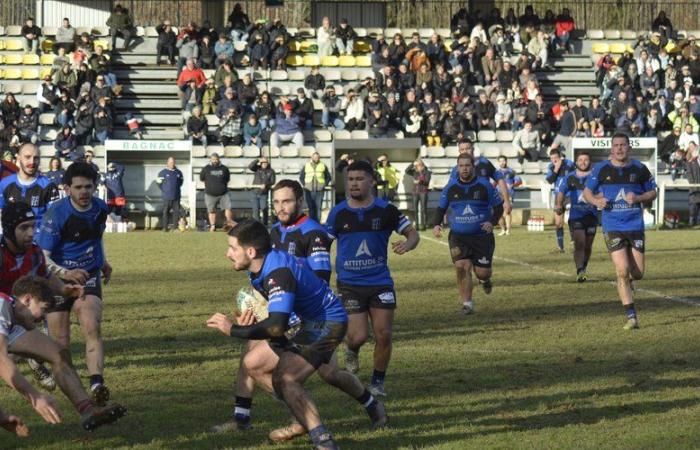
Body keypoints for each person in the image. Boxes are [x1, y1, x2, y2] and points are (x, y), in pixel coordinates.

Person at [207, 220, 387, 450]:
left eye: (232, 248)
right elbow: (277, 316)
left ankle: (324, 441)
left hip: (327, 322)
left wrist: (232, 329)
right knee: (253, 363)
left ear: (250, 252)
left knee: (288, 378)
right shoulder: (259, 268)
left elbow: (276, 327)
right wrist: (253, 320)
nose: (227, 253)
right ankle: (304, 415)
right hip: (306, 321)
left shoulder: (277, 272)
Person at [325, 160, 419, 396]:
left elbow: (413, 233)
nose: (354, 184)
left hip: (380, 282)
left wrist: (407, 244)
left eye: (359, 179)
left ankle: (377, 383)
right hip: (349, 284)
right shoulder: (338, 213)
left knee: (384, 333)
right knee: (357, 336)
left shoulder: (386, 210)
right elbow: (322, 244)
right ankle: (352, 349)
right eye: (350, 179)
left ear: (372, 181)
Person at [0, 276, 126, 431]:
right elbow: (2, 361)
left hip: (14, 325)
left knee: (58, 354)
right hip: (9, 324)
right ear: (27, 300)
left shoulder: (11, 309)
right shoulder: (1, 309)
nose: (42, 318)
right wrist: (36, 397)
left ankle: (88, 409)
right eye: (44, 310)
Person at [38, 162, 116, 406]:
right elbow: (42, 257)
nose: (84, 192)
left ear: (95, 187)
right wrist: (65, 273)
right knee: (60, 344)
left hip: (89, 274)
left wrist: (102, 261)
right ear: (67, 188)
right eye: (78, 187)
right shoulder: (57, 214)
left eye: (89, 187)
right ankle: (78, 393)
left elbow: (96, 237)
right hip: (57, 279)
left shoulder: (100, 208)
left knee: (91, 322)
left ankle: (97, 383)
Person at [583, 134, 658, 330]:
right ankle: (631, 317)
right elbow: (587, 192)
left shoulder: (639, 168)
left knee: (638, 273)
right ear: (611, 149)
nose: (619, 149)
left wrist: (640, 198)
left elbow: (654, 191)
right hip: (612, 226)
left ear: (629, 147)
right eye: (615, 145)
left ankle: (630, 282)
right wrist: (596, 201)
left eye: (622, 145)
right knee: (622, 271)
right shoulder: (600, 169)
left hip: (635, 226)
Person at [432, 153, 503, 315]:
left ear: (473, 167)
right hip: (458, 236)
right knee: (461, 267)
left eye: (467, 165)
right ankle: (467, 304)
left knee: (482, 272)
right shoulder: (451, 187)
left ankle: (484, 279)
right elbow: (441, 208)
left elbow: (499, 206)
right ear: (457, 168)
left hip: (481, 237)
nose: (464, 169)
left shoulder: (484, 185)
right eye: (461, 166)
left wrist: (491, 223)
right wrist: (436, 224)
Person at [0, 144, 60, 240]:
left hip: (37, 241)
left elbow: (54, 220)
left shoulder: (49, 186)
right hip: (11, 241)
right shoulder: (4, 183)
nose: (32, 162)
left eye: (36, 158)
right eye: (27, 157)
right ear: (19, 158)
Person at [555, 152, 599, 282]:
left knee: (588, 246)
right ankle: (580, 271)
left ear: (590, 162)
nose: (583, 162)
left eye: (586, 160)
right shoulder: (569, 177)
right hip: (576, 216)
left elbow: (603, 192)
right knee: (580, 243)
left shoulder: (595, 177)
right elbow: (561, 192)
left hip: (591, 215)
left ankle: (583, 267)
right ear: (576, 162)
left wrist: (595, 199)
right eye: (580, 160)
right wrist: (558, 204)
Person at [449, 139, 513, 214]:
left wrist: (507, 201)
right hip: (465, 207)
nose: (465, 151)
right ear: (459, 151)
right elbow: (449, 189)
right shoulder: (456, 169)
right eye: (462, 149)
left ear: (473, 149)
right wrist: (447, 208)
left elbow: (500, 179)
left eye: (468, 148)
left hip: (484, 205)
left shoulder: (484, 163)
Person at [546, 149, 576, 252]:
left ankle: (573, 240)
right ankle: (560, 247)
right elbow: (550, 180)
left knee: (570, 218)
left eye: (555, 158)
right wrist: (556, 169)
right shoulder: (551, 167)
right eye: (552, 158)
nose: (554, 160)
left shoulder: (569, 164)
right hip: (558, 197)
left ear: (560, 157)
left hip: (569, 195)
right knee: (558, 223)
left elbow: (576, 176)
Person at [200, 153, 235, 231]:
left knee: (228, 208)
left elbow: (227, 179)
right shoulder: (206, 169)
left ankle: (229, 224)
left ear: (219, 159)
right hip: (210, 194)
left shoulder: (224, 168)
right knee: (211, 210)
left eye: (216, 159)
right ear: (210, 160)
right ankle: (213, 226)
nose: (215, 161)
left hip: (223, 193)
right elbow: (202, 178)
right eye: (213, 159)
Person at [299, 152, 331, 223]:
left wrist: (324, 184)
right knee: (311, 208)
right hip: (308, 190)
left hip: (319, 190)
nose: (316, 158)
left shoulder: (323, 165)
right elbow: (301, 177)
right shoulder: (306, 165)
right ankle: (312, 223)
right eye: (315, 157)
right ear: (312, 157)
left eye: (318, 157)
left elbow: (328, 177)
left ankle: (317, 223)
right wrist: (305, 185)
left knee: (318, 208)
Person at [156, 157, 184, 232]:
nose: (172, 164)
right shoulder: (162, 173)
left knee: (176, 212)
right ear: (167, 163)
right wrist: (165, 190)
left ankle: (175, 228)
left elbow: (180, 183)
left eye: (173, 162)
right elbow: (159, 184)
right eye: (170, 162)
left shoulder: (179, 172)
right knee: (165, 212)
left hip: (176, 196)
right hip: (166, 196)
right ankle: (165, 228)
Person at [495, 156, 522, 235]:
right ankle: (503, 229)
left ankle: (508, 230)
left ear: (506, 161)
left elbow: (519, 181)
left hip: (509, 193)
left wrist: (512, 184)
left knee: (507, 212)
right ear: (498, 162)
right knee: (498, 212)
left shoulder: (511, 171)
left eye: (503, 161)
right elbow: (493, 183)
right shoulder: (496, 172)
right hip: (498, 194)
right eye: (500, 161)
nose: (502, 162)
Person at [405, 159, 432, 231]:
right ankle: (416, 225)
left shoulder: (427, 172)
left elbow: (426, 182)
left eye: (418, 165)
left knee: (423, 209)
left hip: (423, 192)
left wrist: (419, 181)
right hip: (415, 192)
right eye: (416, 165)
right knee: (415, 209)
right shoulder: (414, 172)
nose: (417, 167)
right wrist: (413, 163)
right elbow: (407, 170)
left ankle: (424, 225)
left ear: (422, 165)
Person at [248, 158, 276, 225]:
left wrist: (266, 184)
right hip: (254, 192)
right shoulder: (257, 169)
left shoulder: (271, 171)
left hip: (263, 193)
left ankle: (265, 223)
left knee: (264, 208)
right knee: (255, 210)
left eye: (265, 163)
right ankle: (257, 224)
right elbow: (250, 166)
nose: (264, 164)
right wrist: (257, 160)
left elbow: (272, 181)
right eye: (263, 163)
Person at [686, 144, 700, 226]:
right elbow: (689, 175)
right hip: (694, 188)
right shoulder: (690, 163)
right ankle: (691, 222)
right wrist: (694, 185)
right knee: (693, 205)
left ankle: (698, 221)